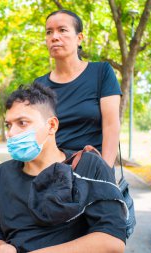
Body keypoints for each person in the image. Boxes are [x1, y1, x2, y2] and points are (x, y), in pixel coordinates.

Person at [0, 83, 126, 253]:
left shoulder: (88, 166)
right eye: (8, 125)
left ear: (52, 125)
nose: (11, 133)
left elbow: (113, 240)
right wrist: (0, 247)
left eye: (22, 123)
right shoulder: (0, 176)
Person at [35, 10, 121, 168]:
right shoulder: (39, 85)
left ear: (79, 38)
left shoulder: (102, 72)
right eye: (49, 32)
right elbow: (38, 134)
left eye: (62, 30)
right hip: (52, 171)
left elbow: (111, 125)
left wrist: (105, 173)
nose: (54, 37)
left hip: (92, 168)